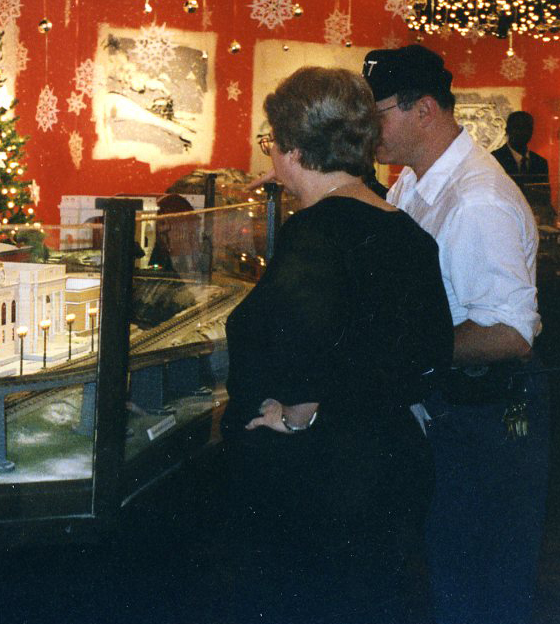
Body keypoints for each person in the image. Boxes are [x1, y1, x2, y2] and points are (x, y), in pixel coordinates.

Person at [222, 67, 454, 623]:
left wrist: (299, 414)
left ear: (294, 149)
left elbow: (294, 351)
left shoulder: (314, 233)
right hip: (390, 464)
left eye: (271, 142)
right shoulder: (403, 229)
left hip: (327, 477)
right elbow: (428, 353)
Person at [363, 44, 549, 624]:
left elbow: (510, 334)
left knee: (481, 591)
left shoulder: (476, 199)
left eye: (377, 113)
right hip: (453, 414)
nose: (368, 128)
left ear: (424, 110)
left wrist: (397, 351)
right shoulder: (412, 184)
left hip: (486, 420)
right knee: (452, 578)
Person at [492, 110, 554, 223]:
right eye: (518, 127)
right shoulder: (494, 159)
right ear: (507, 130)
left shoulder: (540, 162)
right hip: (504, 220)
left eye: (527, 127)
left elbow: (544, 199)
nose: (523, 132)